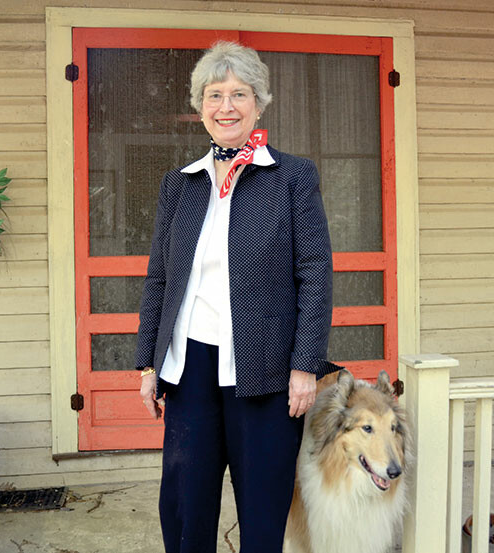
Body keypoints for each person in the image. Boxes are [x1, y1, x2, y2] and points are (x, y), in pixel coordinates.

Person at [134, 41, 338, 553]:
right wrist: (147, 364)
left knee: (263, 507)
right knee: (185, 505)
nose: (226, 106)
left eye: (239, 94)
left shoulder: (291, 176)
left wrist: (305, 365)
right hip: (190, 369)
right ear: (200, 106)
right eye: (214, 94)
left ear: (259, 103)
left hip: (266, 371)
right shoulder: (178, 185)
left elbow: (315, 275)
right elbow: (159, 278)